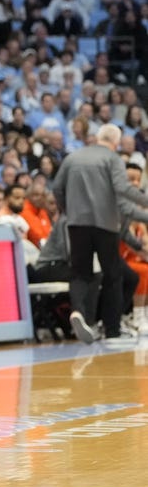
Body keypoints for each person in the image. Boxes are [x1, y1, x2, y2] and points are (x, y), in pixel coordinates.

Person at [51, 123, 148, 344]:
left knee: (80, 273)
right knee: (113, 275)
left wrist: (69, 210)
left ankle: (78, 312)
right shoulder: (112, 159)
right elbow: (122, 189)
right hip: (105, 224)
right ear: (115, 141)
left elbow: (56, 187)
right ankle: (112, 329)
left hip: (77, 224)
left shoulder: (73, 157)